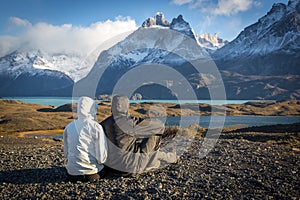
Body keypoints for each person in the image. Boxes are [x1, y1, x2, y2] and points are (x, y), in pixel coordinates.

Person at [101, 95, 177, 176]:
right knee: (153, 134)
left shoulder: (104, 123)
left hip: (111, 168)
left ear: (112, 107)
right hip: (130, 169)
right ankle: (155, 162)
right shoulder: (130, 122)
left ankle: (164, 158)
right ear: (126, 106)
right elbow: (159, 126)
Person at [63, 96, 108, 182]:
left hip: (72, 174)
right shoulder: (96, 127)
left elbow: (66, 153)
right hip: (91, 174)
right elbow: (101, 157)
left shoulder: (68, 127)